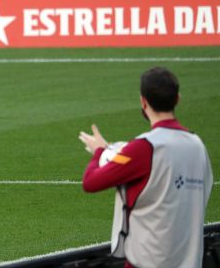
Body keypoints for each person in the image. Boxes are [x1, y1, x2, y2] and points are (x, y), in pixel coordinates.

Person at [78, 67, 213, 268]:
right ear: (178, 99)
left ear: (143, 101)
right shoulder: (197, 145)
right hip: (189, 261)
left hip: (148, 261)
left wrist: (99, 152)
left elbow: (91, 182)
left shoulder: (144, 147)